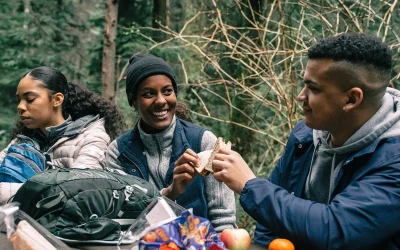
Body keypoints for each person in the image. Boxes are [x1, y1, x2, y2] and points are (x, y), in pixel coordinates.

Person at [211, 33, 400, 249]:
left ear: (351, 99)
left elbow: (334, 228)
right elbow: (271, 222)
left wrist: (250, 186)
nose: (301, 96)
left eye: (314, 88)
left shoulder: (394, 161)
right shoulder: (305, 135)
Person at [105, 53, 236, 233]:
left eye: (167, 91)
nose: (161, 101)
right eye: (149, 94)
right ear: (133, 101)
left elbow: (223, 220)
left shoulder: (203, 142)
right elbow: (121, 223)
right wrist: (169, 193)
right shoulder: (118, 152)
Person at [0, 66, 126, 204]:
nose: (20, 107)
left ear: (57, 100)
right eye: (19, 100)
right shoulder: (21, 142)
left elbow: (78, 192)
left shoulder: (91, 138)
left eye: (29, 99)